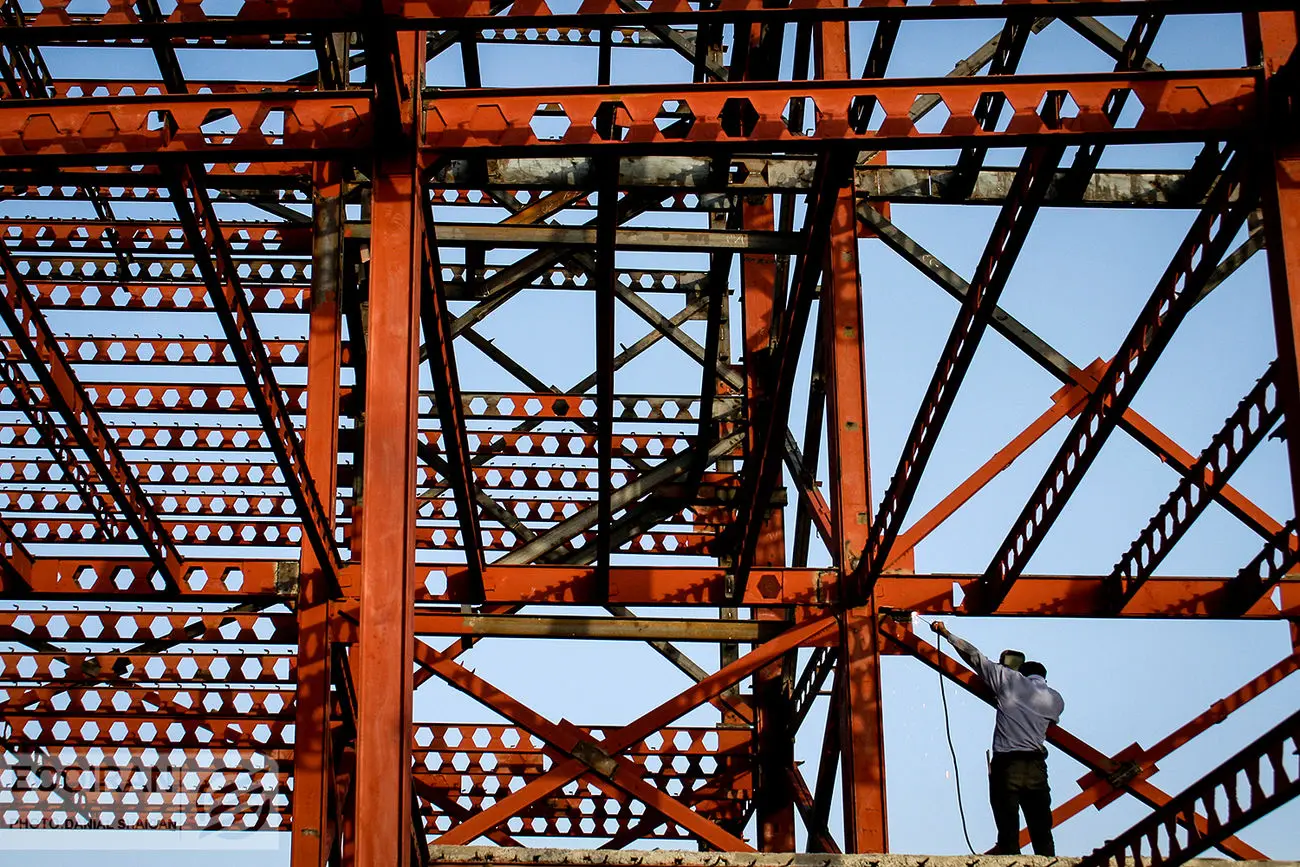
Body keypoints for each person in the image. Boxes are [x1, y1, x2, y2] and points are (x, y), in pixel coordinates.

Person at [930, 620, 1064, 856]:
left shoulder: (1010, 680)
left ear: (1022, 673)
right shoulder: (1055, 699)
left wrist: (946, 633)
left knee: (1008, 828)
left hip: (1007, 765)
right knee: (1042, 829)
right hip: (1036, 766)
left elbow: (974, 656)